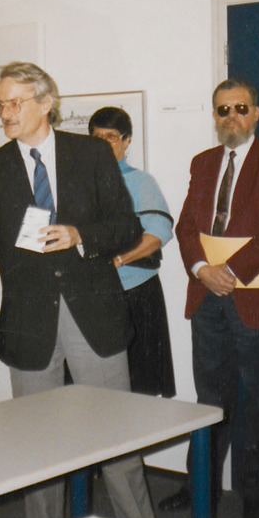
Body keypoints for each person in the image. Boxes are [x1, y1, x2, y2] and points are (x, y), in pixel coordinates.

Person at [0, 62, 157, 518]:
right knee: (36, 450)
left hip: (94, 316)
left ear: (46, 103)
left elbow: (127, 227)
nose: (6, 113)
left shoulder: (91, 154)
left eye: (15, 102)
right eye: (0, 104)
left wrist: (79, 235)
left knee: (117, 441)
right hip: (28, 323)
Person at [159, 78, 259, 518]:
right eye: (223, 110)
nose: (232, 117)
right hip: (208, 299)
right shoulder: (203, 163)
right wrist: (203, 269)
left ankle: (256, 495)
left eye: (240, 108)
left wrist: (231, 271)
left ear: (256, 113)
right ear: (215, 116)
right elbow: (185, 227)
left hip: (255, 298)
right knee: (209, 399)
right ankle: (197, 485)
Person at [88, 107, 176, 398]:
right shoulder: (78, 183)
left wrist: (118, 261)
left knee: (140, 388)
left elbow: (158, 233)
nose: (103, 143)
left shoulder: (141, 182)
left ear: (127, 140)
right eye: (97, 137)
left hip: (135, 295)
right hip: (91, 297)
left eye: (111, 137)